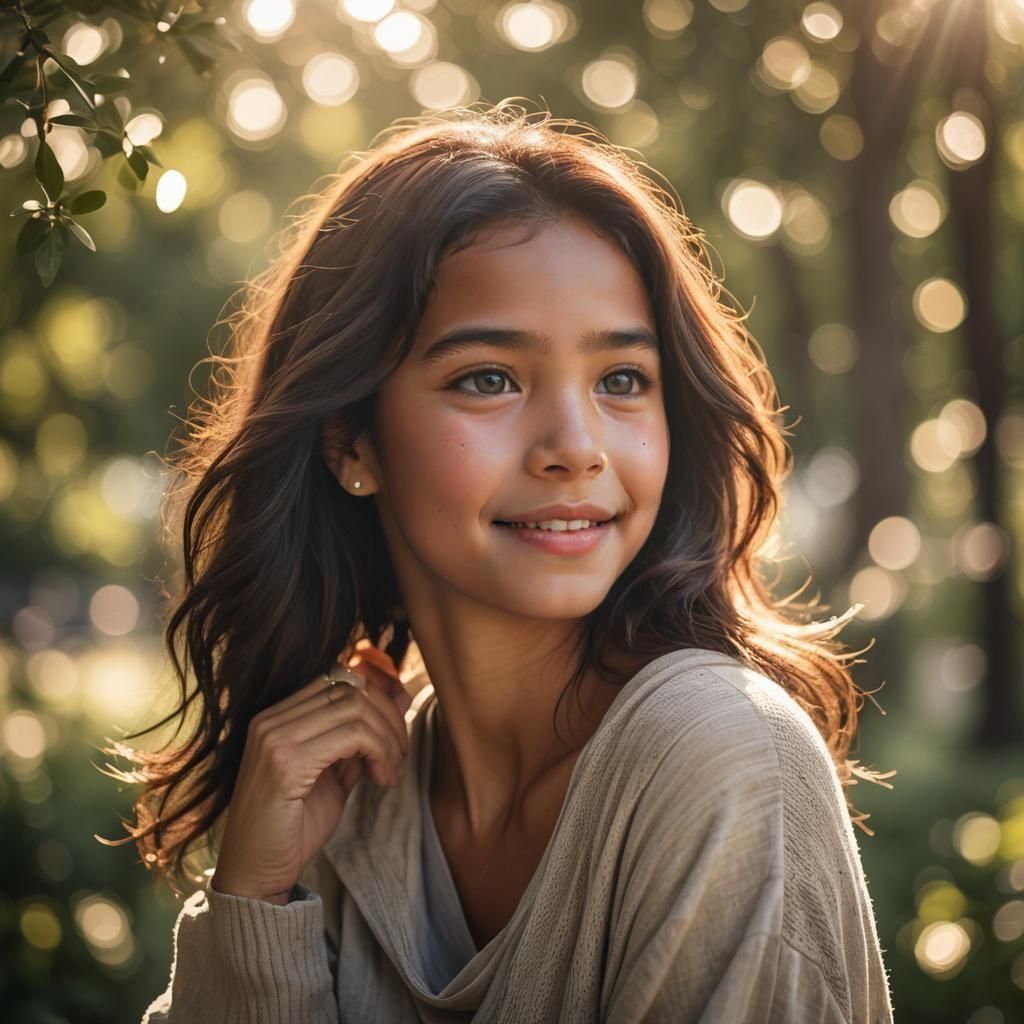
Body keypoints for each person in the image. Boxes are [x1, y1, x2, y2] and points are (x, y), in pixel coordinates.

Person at [109, 101, 896, 1022]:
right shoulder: (345, 787)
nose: (577, 446)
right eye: (489, 378)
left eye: (622, 380)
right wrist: (253, 899)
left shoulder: (717, 755)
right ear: (350, 442)